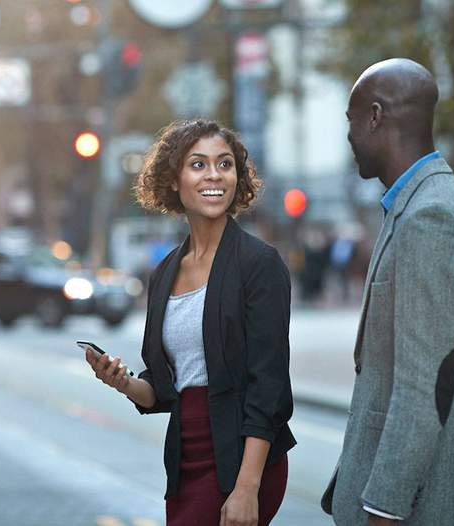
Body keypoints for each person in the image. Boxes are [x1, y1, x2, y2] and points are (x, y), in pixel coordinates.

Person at [321, 58, 454, 525]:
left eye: (351, 120)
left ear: (376, 116)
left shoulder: (430, 217)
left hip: (428, 503)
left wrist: (384, 508)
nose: (349, 136)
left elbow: (428, 381)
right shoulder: (421, 202)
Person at [86, 119, 295, 526]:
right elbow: (165, 390)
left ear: (238, 177)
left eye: (225, 164)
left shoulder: (259, 265)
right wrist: (122, 380)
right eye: (198, 165)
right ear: (174, 180)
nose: (214, 174)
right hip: (187, 458)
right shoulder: (164, 272)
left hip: (243, 459)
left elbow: (268, 388)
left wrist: (246, 488)